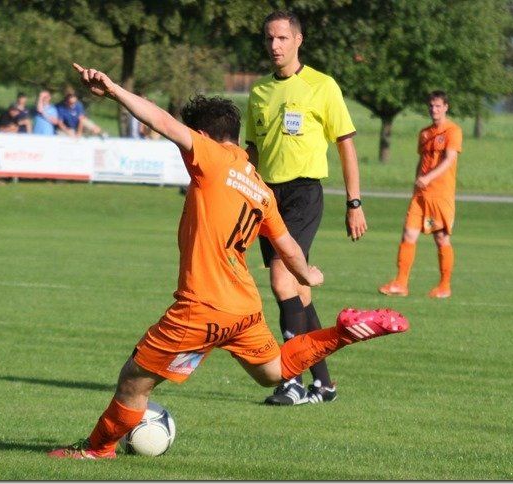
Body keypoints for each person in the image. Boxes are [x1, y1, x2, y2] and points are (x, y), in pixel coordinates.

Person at [47, 62, 409, 460]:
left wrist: (115, 90)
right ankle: (342, 333)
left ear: (204, 136)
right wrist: (309, 275)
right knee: (274, 371)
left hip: (200, 307)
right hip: (243, 308)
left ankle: (98, 449)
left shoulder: (212, 158)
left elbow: (161, 122)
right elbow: (288, 247)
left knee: (134, 380)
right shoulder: (260, 187)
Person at [245, 10, 367, 406]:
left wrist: (354, 202)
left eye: (282, 38)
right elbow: (252, 152)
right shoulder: (259, 91)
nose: (275, 45)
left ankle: (291, 380)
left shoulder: (322, 86)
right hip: (267, 198)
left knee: (281, 281)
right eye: (269, 38)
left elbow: (346, 146)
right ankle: (324, 384)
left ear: (298, 40)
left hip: (303, 193)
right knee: (299, 290)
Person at [378, 91, 462, 299]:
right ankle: (401, 283)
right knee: (408, 234)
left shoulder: (453, 131)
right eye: (431, 106)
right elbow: (422, 161)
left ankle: (444, 286)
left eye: (438, 106)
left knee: (441, 238)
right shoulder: (424, 133)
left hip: (440, 194)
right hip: (420, 195)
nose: (434, 109)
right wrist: (417, 181)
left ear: (446, 107)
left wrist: (429, 178)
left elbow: (449, 159)